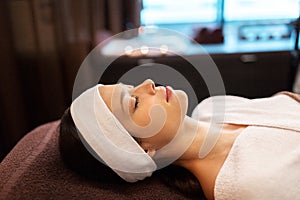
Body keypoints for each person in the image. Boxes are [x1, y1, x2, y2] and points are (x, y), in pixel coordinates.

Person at [59, 79, 300, 200]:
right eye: (134, 102)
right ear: (141, 151)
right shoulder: (246, 184)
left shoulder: (213, 107)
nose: (147, 84)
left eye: (132, 86)